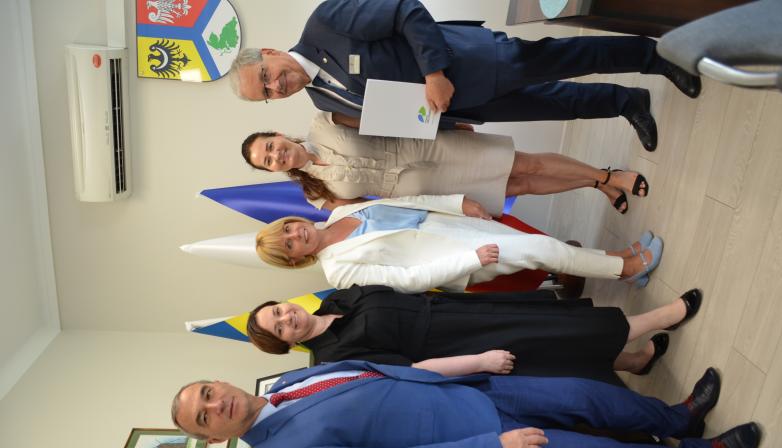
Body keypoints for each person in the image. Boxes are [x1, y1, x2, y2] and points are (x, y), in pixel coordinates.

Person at [171, 361, 761, 448]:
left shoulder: (286, 381)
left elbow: (388, 373)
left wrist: (467, 367)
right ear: (215, 438)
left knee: (587, 395)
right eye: (205, 416)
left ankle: (676, 418)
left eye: (206, 392)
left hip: (474, 393)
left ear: (215, 380)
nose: (216, 403)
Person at [228, 0, 702, 151]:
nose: (276, 85)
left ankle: (654, 56)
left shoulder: (324, 25)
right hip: (463, 106)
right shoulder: (321, 101)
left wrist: (434, 73)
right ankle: (626, 104)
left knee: (567, 58)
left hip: (470, 61)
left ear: (269, 52)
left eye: (266, 75)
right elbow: (387, 116)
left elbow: (404, 10)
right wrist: (450, 126)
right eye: (266, 93)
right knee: (554, 103)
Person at [245, 285, 704, 383]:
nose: (287, 319)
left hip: (457, 309)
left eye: (279, 311)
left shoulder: (336, 300)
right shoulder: (331, 358)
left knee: (553, 329)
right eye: (279, 328)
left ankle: (634, 361)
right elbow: (412, 369)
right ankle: (660, 317)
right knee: (554, 339)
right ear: (285, 343)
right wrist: (480, 361)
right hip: (459, 344)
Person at [240, 111, 647, 215]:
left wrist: (447, 123)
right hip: (425, 191)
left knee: (526, 165)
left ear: (278, 134)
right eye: (268, 161)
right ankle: (596, 184)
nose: (276, 155)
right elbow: (371, 211)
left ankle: (608, 174)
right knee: (517, 187)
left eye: (270, 146)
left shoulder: (323, 121)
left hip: (432, 149)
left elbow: (386, 113)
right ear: (272, 170)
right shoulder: (315, 195)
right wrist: (441, 211)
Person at [254, 194, 664, 293]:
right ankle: (627, 268)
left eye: (287, 229)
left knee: (538, 242)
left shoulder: (339, 212)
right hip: (460, 258)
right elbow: (407, 280)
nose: (294, 235)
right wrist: (470, 259)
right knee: (541, 252)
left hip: (452, 224)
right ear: (295, 259)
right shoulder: (338, 271)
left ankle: (618, 259)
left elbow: (409, 203)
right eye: (288, 245)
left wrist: (457, 203)